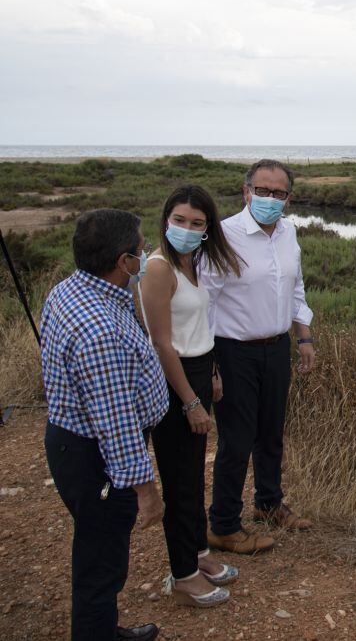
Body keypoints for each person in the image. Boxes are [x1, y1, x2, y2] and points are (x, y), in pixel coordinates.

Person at [40, 209, 167, 641]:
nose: (145, 253)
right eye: (140, 247)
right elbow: (117, 425)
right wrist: (146, 493)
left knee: (96, 548)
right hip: (92, 455)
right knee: (102, 560)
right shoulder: (101, 330)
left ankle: (103, 629)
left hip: (68, 439)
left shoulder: (69, 290)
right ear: (124, 262)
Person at [139, 185, 245, 606]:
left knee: (193, 476)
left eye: (197, 223)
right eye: (179, 220)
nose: (187, 228)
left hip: (199, 370)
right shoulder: (159, 267)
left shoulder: (192, 261)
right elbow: (163, 344)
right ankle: (183, 573)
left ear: (207, 229)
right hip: (173, 380)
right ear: (166, 219)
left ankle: (199, 553)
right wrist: (190, 401)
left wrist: (213, 372)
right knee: (180, 479)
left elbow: (199, 324)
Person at [204, 159, 316, 554]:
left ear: (289, 198)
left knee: (271, 433)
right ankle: (223, 524)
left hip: (276, 348)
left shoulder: (288, 232)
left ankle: (269, 504)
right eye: (262, 190)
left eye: (279, 193)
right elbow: (205, 300)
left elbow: (296, 286)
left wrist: (304, 337)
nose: (270, 199)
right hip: (233, 351)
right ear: (246, 190)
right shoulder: (223, 235)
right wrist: (211, 364)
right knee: (236, 440)